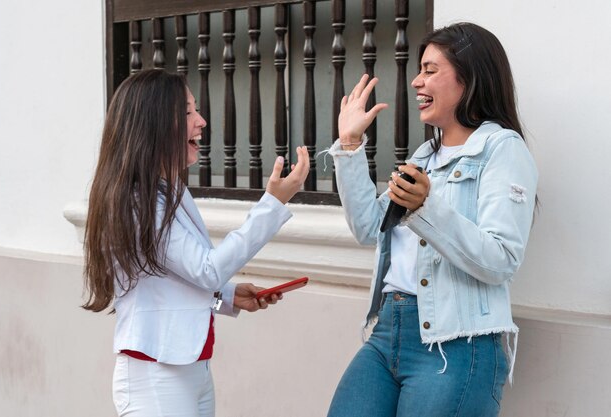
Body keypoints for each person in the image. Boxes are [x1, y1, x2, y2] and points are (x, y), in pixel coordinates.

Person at [326, 22, 538, 417]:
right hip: (389, 329)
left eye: (429, 69)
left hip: (457, 343)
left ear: (468, 77)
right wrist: (350, 146)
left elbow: (500, 259)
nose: (416, 82)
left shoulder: (501, 149)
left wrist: (426, 208)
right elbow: (370, 228)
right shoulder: (424, 155)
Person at [82, 69, 309, 417]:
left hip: (191, 369)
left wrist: (228, 296)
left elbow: (172, 280)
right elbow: (205, 270)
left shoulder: (170, 189)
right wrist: (273, 203)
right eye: (187, 112)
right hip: (156, 377)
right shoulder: (137, 201)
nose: (201, 121)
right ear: (153, 122)